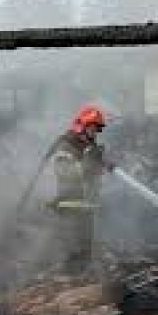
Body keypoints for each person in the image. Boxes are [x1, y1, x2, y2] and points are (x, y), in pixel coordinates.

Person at [48, 104, 114, 275]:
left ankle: (80, 279)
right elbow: (65, 173)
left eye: (97, 129)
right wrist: (90, 165)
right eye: (93, 128)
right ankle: (65, 282)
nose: (95, 133)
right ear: (82, 126)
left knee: (85, 253)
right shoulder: (66, 146)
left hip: (86, 207)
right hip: (70, 208)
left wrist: (103, 164)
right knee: (71, 253)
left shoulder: (88, 148)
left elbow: (94, 176)